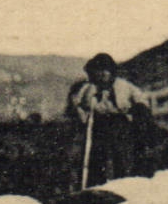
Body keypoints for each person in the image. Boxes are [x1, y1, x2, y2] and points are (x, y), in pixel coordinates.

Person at [66, 52, 154, 187]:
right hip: (98, 125)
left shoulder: (124, 86)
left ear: (111, 72)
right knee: (97, 158)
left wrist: (139, 109)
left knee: (121, 157)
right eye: (98, 71)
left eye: (105, 70)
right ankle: (95, 186)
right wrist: (80, 112)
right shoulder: (88, 88)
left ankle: (123, 185)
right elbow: (76, 103)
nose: (102, 74)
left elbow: (141, 99)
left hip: (120, 125)